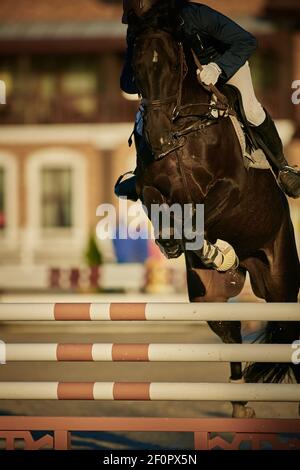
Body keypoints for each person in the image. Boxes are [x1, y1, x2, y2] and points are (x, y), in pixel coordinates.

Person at [116, 0, 300, 199]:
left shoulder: (196, 15)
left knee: (251, 110)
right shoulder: (137, 30)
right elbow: (127, 82)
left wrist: (217, 67)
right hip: (182, 79)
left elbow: (246, 41)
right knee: (145, 116)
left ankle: (283, 168)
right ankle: (141, 172)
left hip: (224, 64)